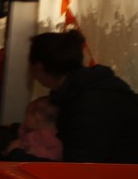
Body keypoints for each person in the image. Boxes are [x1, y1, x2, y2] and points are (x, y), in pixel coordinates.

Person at [26, 29, 138, 163]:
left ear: (38, 66)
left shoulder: (88, 102)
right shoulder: (85, 89)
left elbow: (80, 165)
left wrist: (16, 157)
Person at [6, 96, 62, 161]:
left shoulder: (48, 135)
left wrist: (36, 151)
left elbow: (57, 154)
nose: (25, 118)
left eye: (27, 114)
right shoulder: (32, 129)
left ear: (37, 117)